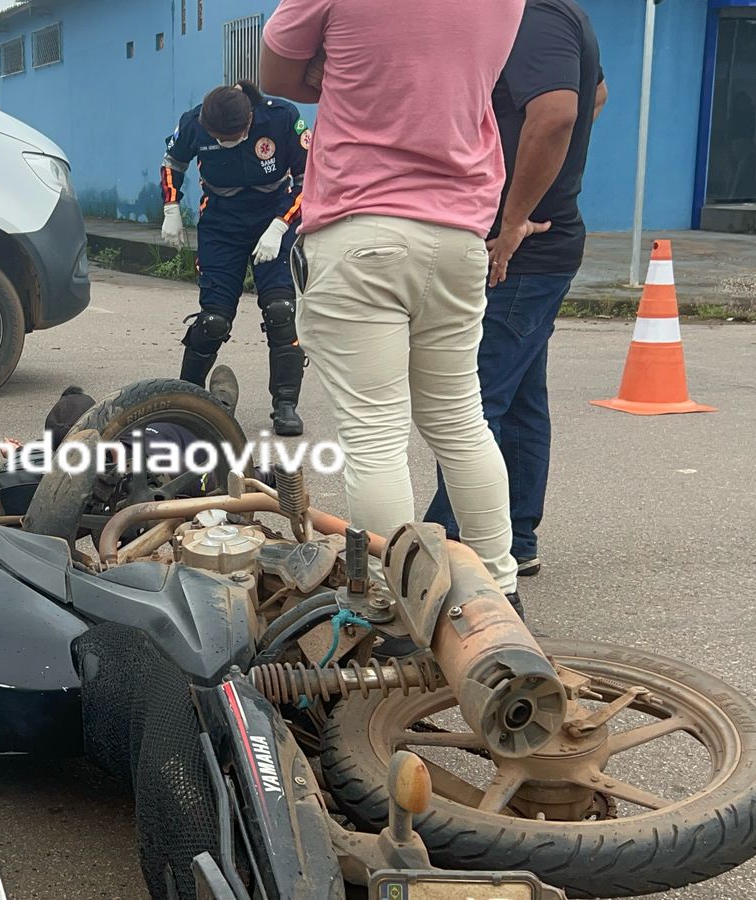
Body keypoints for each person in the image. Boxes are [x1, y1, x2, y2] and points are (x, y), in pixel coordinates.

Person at [259, 0, 525, 608]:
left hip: (362, 226)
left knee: (375, 435)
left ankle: (403, 604)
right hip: (460, 233)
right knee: (460, 419)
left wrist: (335, 66)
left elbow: (275, 77)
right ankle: (498, 591)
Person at [423, 0, 607, 579]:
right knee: (521, 395)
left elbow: (556, 114)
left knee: (473, 404)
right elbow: (592, 96)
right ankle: (517, 535)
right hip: (536, 245)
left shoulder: (534, 15)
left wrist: (514, 217)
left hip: (521, 249)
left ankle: (450, 547)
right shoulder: (550, 12)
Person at [160, 81, 308, 437]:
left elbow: (310, 178)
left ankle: (285, 404)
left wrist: (281, 225)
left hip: (273, 214)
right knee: (213, 320)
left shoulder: (282, 117)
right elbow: (172, 162)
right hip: (221, 222)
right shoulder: (195, 121)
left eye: (232, 137)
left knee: (280, 310)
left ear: (250, 120)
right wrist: (170, 206)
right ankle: (188, 399)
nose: (225, 143)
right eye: (218, 138)